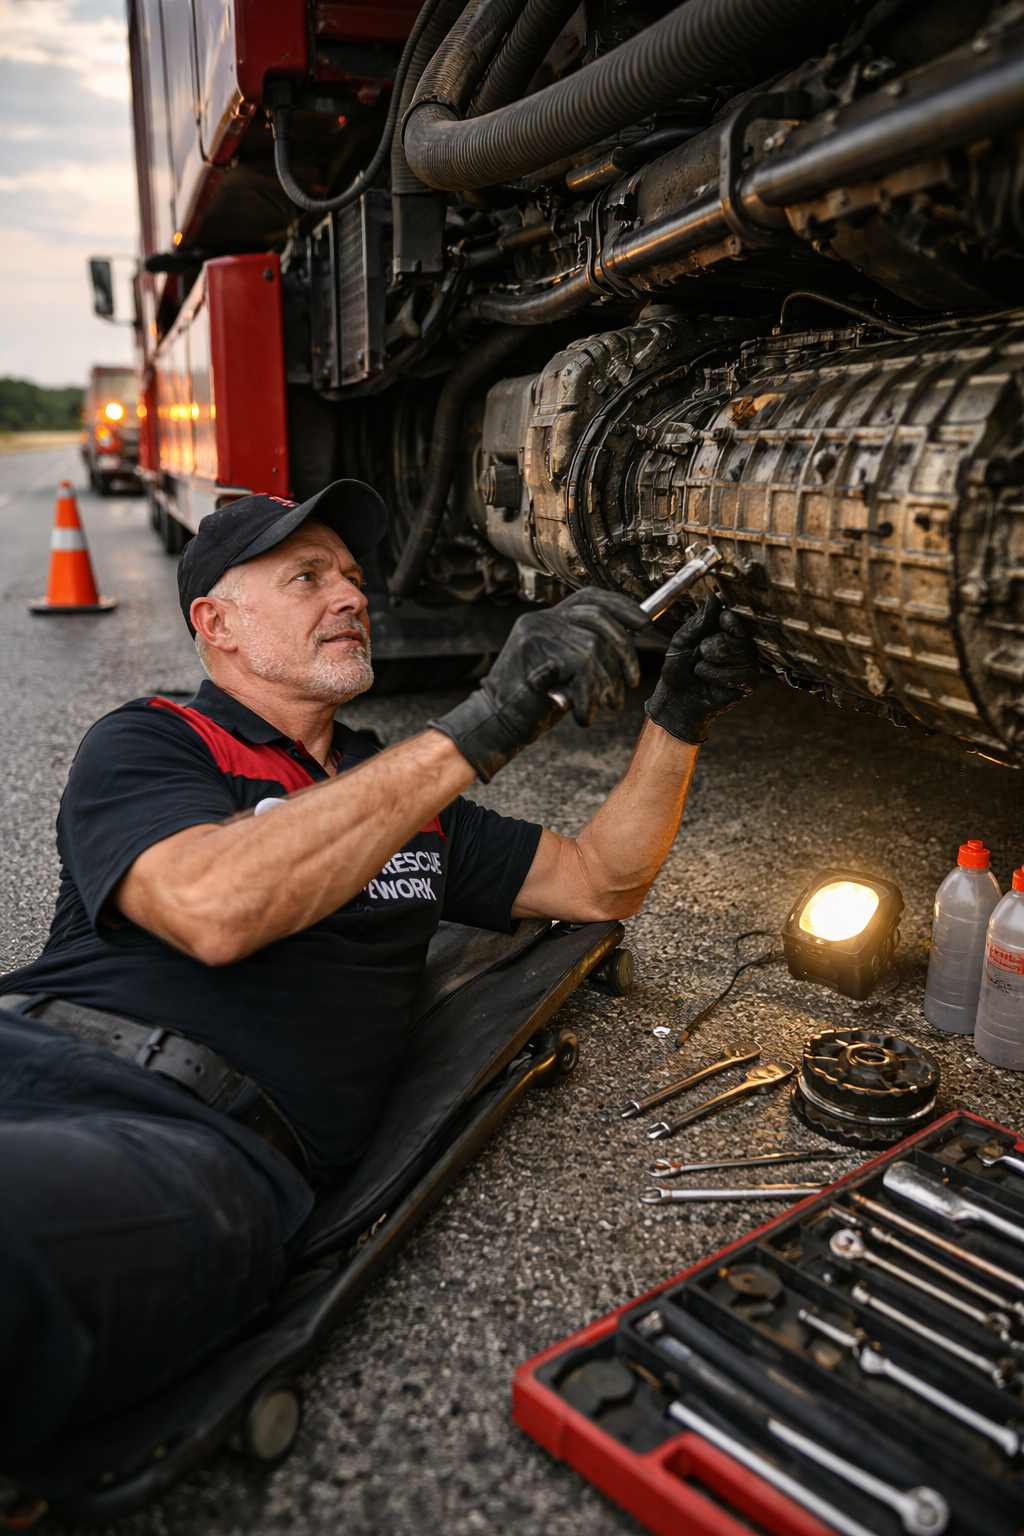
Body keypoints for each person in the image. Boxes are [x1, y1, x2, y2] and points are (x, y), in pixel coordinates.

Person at [0, 479, 758, 1465]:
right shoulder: (151, 743)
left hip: (185, 1141)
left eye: (353, 577)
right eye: (306, 576)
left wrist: (679, 715)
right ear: (215, 623)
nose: (349, 596)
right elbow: (210, 906)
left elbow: (599, 881)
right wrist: (483, 724)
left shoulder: (411, 804)